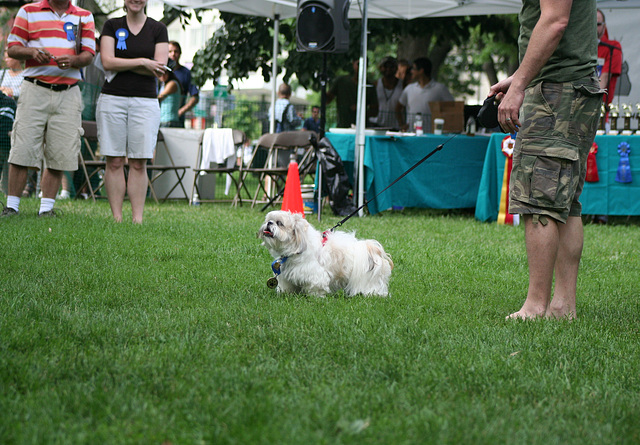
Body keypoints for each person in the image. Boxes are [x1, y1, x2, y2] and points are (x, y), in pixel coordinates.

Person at [489, 0, 603, 319]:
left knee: (539, 199)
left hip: (558, 92)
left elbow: (554, 22)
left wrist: (521, 85)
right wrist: (519, 77)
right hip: (573, 88)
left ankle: (535, 306)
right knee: (566, 203)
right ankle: (563, 305)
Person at [0, 0, 95, 218]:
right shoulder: (28, 11)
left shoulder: (84, 16)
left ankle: (46, 209)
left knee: (59, 151)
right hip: (34, 89)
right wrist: (32, 53)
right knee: (22, 148)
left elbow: (88, 55)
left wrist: (73, 60)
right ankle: (12, 206)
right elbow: (12, 49)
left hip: (69, 92)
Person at [96, 0, 168, 223]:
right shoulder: (111, 25)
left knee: (139, 162)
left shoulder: (158, 29)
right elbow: (107, 62)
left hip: (145, 102)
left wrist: (125, 63)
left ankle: (137, 220)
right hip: (111, 99)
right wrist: (143, 62)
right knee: (114, 161)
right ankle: (117, 218)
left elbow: (160, 69)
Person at [396, 57, 453, 132]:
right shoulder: (409, 89)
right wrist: (402, 124)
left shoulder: (440, 89)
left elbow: (452, 108)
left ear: (421, 71)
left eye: (413, 69)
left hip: (432, 135)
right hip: (412, 134)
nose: (411, 71)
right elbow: (398, 108)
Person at [327, 60, 378, 128]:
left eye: (364, 65)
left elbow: (375, 111)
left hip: (362, 128)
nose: (361, 67)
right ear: (353, 64)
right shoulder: (341, 81)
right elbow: (327, 99)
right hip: (343, 126)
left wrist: (361, 110)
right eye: (359, 64)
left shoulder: (369, 86)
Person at [168, 41, 199, 127]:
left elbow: (195, 97)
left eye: (176, 51)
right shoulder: (160, 72)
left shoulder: (186, 73)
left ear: (180, 53)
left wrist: (180, 111)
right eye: (170, 51)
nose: (173, 54)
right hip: (159, 119)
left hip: (178, 121)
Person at [596, 9, 622, 109]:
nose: (594, 27)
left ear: (604, 26)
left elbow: (605, 77)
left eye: (598, 24)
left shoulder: (613, 47)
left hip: (601, 108)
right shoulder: (580, 47)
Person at [374, 56, 403, 129]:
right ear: (380, 68)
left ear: (396, 69)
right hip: (378, 124)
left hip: (397, 126)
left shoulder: (403, 85)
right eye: (385, 66)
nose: (388, 69)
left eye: (391, 67)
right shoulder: (376, 84)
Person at [158, 59, 183, 128]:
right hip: (164, 121)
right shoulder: (163, 85)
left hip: (170, 122)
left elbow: (159, 98)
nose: (162, 75)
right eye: (160, 72)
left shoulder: (172, 84)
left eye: (165, 72)